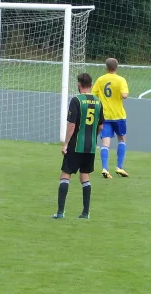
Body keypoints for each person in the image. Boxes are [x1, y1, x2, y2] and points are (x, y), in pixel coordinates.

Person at [53, 73, 104, 220]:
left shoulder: (76, 100)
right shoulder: (98, 101)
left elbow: (72, 125)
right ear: (91, 85)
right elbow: (100, 126)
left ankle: (61, 212)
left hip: (76, 144)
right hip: (91, 146)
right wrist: (93, 138)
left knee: (65, 174)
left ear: (79, 85)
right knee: (85, 176)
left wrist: (66, 143)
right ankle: (85, 213)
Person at [92, 58, 130, 178]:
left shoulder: (101, 79)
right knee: (122, 140)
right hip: (119, 115)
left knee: (105, 143)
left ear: (106, 67)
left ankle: (105, 168)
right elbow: (124, 95)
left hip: (105, 116)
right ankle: (119, 167)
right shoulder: (121, 80)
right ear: (116, 67)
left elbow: (94, 95)